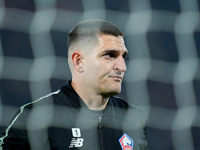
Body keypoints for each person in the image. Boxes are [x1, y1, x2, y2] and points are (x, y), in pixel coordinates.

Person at [0, 19, 148, 150]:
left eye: (123, 56)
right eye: (110, 55)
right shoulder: (38, 116)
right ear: (78, 61)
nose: (122, 67)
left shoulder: (133, 118)